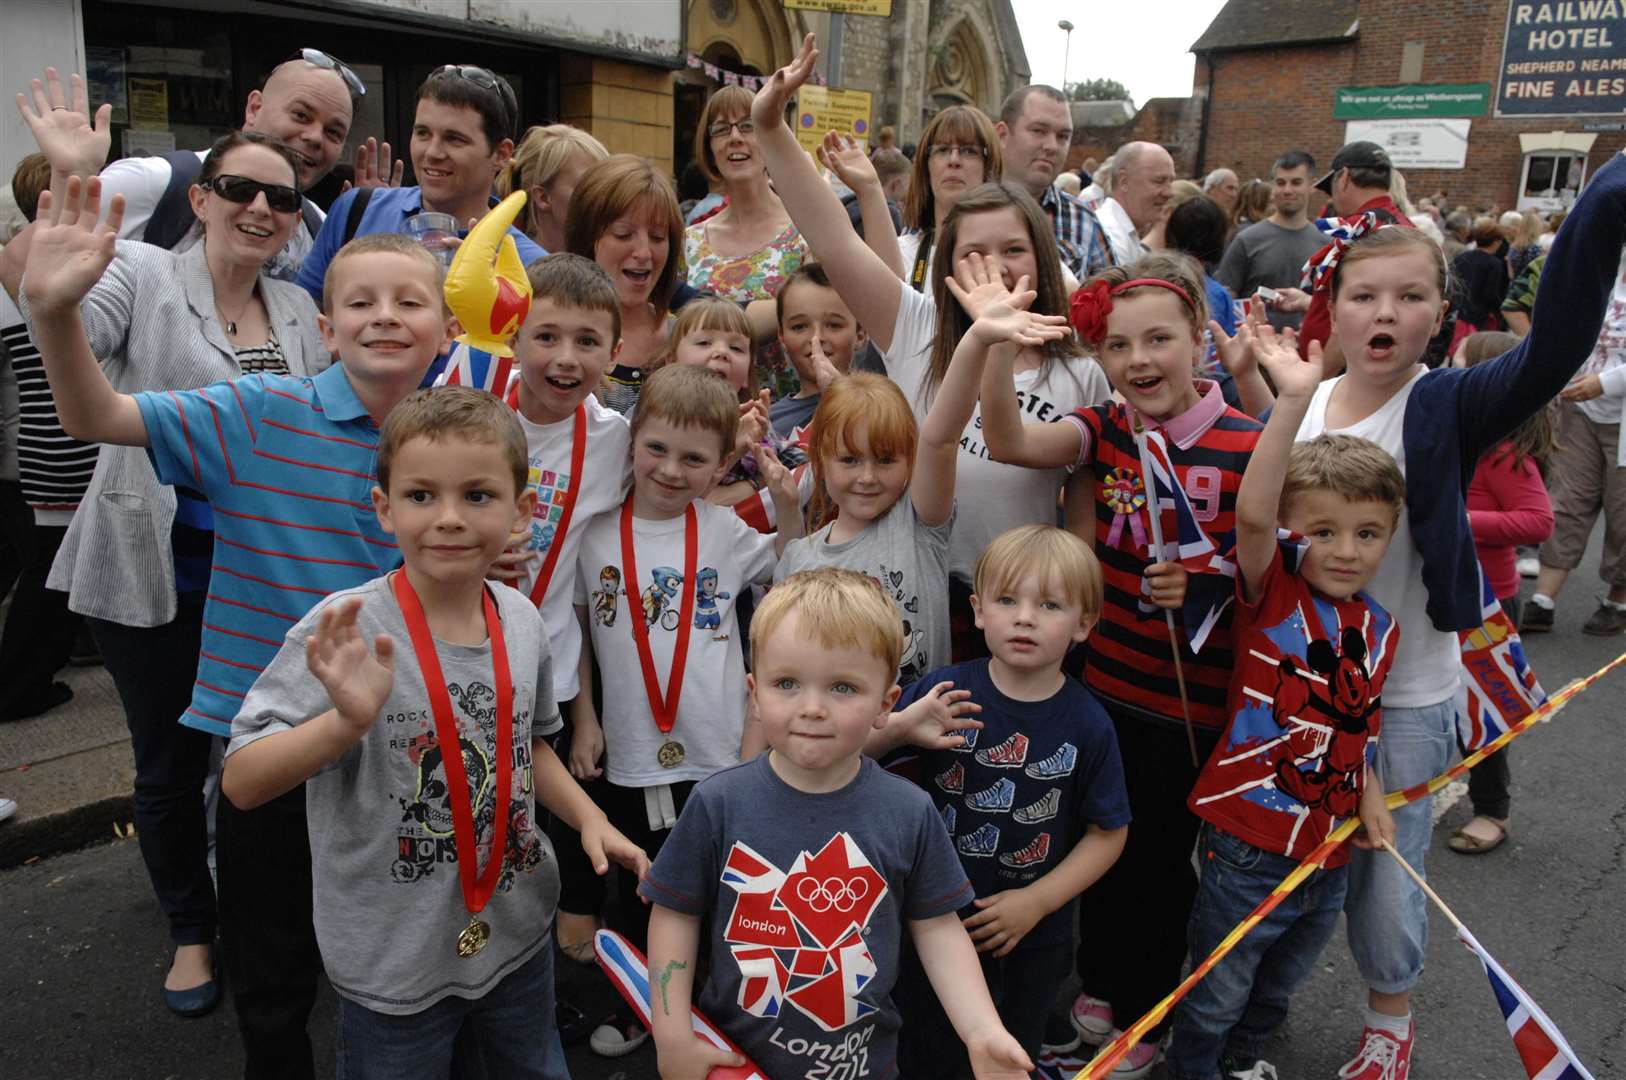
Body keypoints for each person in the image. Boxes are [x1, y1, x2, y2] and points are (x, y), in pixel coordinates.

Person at [24, 185, 455, 1071]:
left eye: (411, 302)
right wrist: (54, 311)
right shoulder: (256, 415)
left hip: (406, 731)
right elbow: (93, 415)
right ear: (325, 328)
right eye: (360, 302)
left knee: (406, 929)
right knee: (271, 945)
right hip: (274, 735)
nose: (385, 317)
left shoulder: (462, 443)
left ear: (445, 331)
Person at [1247, 154, 1626, 1080]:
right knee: (1275, 857)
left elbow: (1556, 348)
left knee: (1387, 866)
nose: (1386, 313)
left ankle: (1389, 1015)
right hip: (1297, 689)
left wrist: (1610, 193)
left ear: (1442, 315)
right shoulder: (1298, 400)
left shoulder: (1447, 403)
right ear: (1332, 308)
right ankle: (1251, 1011)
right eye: (1366, 295)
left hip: (1408, 687)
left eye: (1411, 297)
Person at [221, 387, 648, 1078]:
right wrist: (344, 724)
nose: (449, 518)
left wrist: (588, 816)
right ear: (384, 507)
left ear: (521, 512)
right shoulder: (348, 628)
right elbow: (241, 782)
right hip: (394, 966)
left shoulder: (521, 620)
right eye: (421, 496)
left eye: (478, 495)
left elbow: (527, 743)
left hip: (514, 935)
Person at [15, 134, 329, 1020]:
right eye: (238, 188)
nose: (260, 209)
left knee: (255, 748)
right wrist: (52, 301)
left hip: (264, 581)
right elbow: (79, 333)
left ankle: (261, 907)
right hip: (151, 574)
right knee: (168, 760)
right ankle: (193, 929)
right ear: (201, 198)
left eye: (282, 198)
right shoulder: (145, 273)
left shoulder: (304, 312)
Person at [976, 253, 1262, 1077]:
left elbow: (1269, 575)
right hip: (1104, 687)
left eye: (1160, 339)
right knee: (1098, 842)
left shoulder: (1245, 442)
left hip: (1191, 705)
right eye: (1119, 345)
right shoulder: (1105, 430)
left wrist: (1205, 580)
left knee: (1160, 865)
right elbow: (1008, 438)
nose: (1140, 361)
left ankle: (1146, 1011)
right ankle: (1099, 985)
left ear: (1201, 340)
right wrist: (997, 343)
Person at [751, 36, 1110, 663]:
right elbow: (832, 239)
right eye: (974, 252)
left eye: (1014, 250)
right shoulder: (916, 327)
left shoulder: (1078, 369)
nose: (994, 267)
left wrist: (1074, 599)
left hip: (1022, 614)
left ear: (1043, 258)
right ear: (945, 265)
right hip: (912, 594)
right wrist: (770, 125)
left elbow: (1083, 506)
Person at [638, 566, 1034, 1080]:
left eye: (843, 687)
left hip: (862, 1067)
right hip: (733, 1065)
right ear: (755, 694)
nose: (813, 708)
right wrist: (672, 1038)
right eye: (787, 683)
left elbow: (938, 927)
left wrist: (981, 1030)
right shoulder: (719, 803)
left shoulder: (907, 811)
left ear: (885, 705)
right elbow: (675, 915)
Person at [1169, 324, 1404, 1080]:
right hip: (1246, 840)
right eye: (1327, 530)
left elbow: (1358, 721)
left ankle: (1242, 1062)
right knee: (1218, 987)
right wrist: (1290, 401)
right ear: (1296, 533)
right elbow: (1251, 516)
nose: (1347, 549)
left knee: (1281, 982)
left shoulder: (1380, 627)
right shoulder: (1272, 595)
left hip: (1329, 842)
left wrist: (1369, 795)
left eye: (1368, 533)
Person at [570, 363, 801, 1056]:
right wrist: (585, 717)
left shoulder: (726, 530)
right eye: (658, 449)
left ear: (723, 463)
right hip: (631, 746)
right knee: (640, 888)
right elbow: (578, 629)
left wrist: (788, 506)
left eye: (695, 458)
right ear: (632, 441)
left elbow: (791, 569)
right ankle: (649, 1007)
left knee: (726, 887)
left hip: (719, 746)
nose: (672, 470)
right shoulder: (595, 533)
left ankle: (723, 1010)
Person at [893, 524, 1130, 1074]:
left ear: (1084, 623)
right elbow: (865, 759)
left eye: (1049, 604)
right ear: (978, 611)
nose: (1024, 616)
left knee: (1008, 1053)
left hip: (1032, 936)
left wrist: (1038, 902)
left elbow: (1109, 832)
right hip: (930, 923)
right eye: (1007, 599)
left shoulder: (1089, 725)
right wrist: (903, 727)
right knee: (922, 1050)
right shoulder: (943, 694)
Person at [456, 253, 635, 964]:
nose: (566, 358)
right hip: (450, 658)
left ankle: (528, 941)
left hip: (546, 674)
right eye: (547, 336)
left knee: (530, 810)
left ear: (614, 354)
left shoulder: (615, 441)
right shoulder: (469, 398)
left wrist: (586, 706)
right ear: (514, 339)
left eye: (588, 342)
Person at [11, 56, 359, 282]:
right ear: (255, 107)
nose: (314, 137)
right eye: (300, 115)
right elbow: (22, 262)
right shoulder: (157, 181)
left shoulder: (315, 223)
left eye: (333, 132)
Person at [297, 64, 543, 302]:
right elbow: (301, 324)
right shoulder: (356, 210)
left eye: (454, 139)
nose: (433, 152)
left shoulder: (530, 267)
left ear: (501, 154)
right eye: (423, 133)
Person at [0, 152, 94, 723]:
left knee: (51, 568)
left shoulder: (16, 265)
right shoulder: (45, 266)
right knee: (50, 576)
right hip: (70, 447)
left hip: (39, 444)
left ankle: (33, 673)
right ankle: (18, 684)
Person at [1451, 330, 1553, 856]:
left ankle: (1493, 809)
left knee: (1486, 709)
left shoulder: (1503, 450)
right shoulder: (1456, 430)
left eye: (1461, 363)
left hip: (1488, 599)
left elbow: (1538, 519)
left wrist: (1461, 521)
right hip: (1445, 589)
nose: (1450, 367)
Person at [1525, 247, 1626, 637]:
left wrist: (1605, 382)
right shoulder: (1606, 272)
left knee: (1621, 509)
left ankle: (1618, 598)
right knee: (1568, 499)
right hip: (1580, 408)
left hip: (1618, 414)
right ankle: (1543, 600)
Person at [684, 85, 808, 400]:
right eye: (721, 129)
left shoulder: (805, 230)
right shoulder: (691, 241)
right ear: (709, 146)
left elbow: (811, 314)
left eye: (748, 126)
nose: (735, 137)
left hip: (785, 416)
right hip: (704, 413)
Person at [566, 154, 686, 415]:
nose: (644, 252)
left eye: (657, 237)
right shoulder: (551, 336)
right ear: (587, 238)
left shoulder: (689, 339)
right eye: (623, 234)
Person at [1291, 141, 1413, 366]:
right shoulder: (1405, 227)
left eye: (1332, 188)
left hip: (1342, 376)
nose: (1332, 199)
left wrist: (1317, 386)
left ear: (1344, 177)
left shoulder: (1359, 233)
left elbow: (1352, 315)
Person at [996, 85, 1112, 281]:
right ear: (1002, 135)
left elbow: (1113, 303)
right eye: (1038, 131)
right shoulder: (963, 210)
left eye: (1063, 136)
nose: (1052, 146)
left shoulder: (1084, 220)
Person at [897, 104, 1004, 290]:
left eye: (969, 150)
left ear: (989, 166)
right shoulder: (900, 255)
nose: (954, 160)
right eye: (942, 150)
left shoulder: (1011, 258)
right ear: (926, 166)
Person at [1215, 150, 1324, 331]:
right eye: (1281, 183)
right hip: (1254, 350)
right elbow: (1225, 302)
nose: (1287, 190)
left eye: (1296, 183)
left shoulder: (1325, 244)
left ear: (1312, 186)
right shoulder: (1247, 239)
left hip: (1305, 352)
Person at [770, 261, 863, 440]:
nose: (816, 338)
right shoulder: (768, 422)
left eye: (834, 325)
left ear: (860, 334)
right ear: (781, 336)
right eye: (799, 327)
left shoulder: (881, 407)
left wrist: (839, 394)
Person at [497, 123, 610, 255]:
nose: (604, 196)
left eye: (607, 185)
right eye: (587, 186)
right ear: (542, 197)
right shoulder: (507, 266)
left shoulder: (614, 264)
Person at [1096, 141, 1174, 267]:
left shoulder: (1125, 232)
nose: (1169, 193)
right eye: (1159, 181)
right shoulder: (1111, 238)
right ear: (1124, 181)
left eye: (1171, 181)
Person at [1451, 217, 1511, 339]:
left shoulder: (1463, 256)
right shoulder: (1494, 263)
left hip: (1459, 310)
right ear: (1495, 242)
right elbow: (1490, 292)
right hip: (1478, 314)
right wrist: (1500, 308)